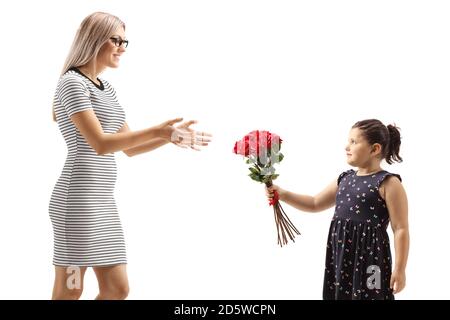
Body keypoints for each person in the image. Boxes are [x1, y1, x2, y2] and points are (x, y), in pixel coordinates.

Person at [49, 12, 211, 300]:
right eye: (116, 39)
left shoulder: (106, 87)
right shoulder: (72, 83)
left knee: (117, 289)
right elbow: (99, 144)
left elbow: (130, 147)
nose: (123, 47)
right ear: (95, 39)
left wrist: (169, 137)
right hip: (77, 204)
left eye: (125, 41)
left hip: (102, 202)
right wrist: (158, 131)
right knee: (71, 289)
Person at [266, 119, 409, 300]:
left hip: (371, 260)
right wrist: (283, 194)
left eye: (353, 142)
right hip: (342, 256)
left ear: (375, 149)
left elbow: (400, 228)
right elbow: (315, 203)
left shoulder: (389, 183)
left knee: (373, 294)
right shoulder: (344, 179)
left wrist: (400, 269)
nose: (346, 146)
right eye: (348, 141)